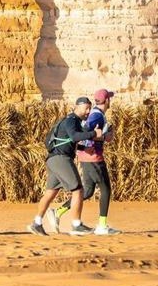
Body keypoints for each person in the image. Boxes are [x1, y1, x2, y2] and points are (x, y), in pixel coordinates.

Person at [27, 97, 102, 237]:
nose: (88, 111)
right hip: (61, 159)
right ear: (77, 106)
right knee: (78, 190)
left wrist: (83, 148)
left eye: (90, 108)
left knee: (50, 193)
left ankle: (36, 223)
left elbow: (68, 141)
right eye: (86, 108)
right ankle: (76, 225)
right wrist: (94, 134)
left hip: (53, 159)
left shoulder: (73, 121)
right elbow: (74, 136)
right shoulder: (71, 120)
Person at [49, 88, 119, 235]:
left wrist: (102, 136)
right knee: (106, 189)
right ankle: (102, 226)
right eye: (109, 99)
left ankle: (58, 212)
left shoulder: (96, 114)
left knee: (87, 191)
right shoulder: (97, 115)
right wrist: (103, 137)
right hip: (93, 157)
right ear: (107, 100)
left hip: (87, 156)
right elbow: (85, 132)